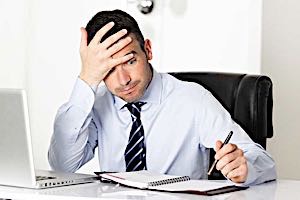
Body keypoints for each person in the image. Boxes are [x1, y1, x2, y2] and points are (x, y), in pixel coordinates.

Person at [48, 9, 276, 186]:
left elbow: (264, 161)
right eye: (107, 70)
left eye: (130, 61)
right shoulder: (95, 104)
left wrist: (245, 166)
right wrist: (87, 79)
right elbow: (62, 165)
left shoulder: (192, 99)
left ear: (147, 49)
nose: (123, 80)